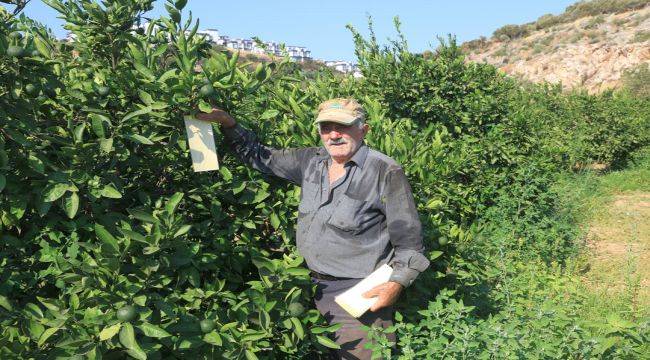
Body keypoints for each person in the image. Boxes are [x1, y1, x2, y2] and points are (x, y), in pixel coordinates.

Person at [196, 98, 429, 359]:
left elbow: (409, 239)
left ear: (364, 130)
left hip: (358, 294)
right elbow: (261, 157)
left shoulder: (385, 171)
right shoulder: (310, 160)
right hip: (307, 287)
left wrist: (397, 283)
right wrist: (228, 123)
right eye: (326, 127)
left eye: (343, 127)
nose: (334, 134)